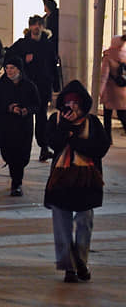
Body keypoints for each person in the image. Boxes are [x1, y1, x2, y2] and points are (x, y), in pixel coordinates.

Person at [44, 80, 109, 283]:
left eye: (75, 103)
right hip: (61, 179)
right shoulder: (56, 120)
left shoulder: (92, 123)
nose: (71, 106)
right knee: (61, 224)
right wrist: (65, 128)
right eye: (68, 102)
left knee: (84, 221)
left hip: (86, 179)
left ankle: (80, 261)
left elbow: (100, 148)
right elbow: (52, 143)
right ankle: (69, 267)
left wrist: (73, 139)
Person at [9, 15, 57, 162]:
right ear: (30, 27)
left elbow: (53, 65)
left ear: (42, 27)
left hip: (43, 86)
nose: (37, 27)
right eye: (34, 25)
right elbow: (10, 58)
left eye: (39, 25)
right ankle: (21, 148)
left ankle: (44, 147)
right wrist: (24, 60)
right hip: (27, 87)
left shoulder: (48, 44)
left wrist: (55, 85)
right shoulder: (22, 44)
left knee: (42, 116)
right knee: (25, 117)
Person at [0, 54, 40, 196]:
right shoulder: (0, 84)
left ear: (19, 69)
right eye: (7, 68)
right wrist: (9, 108)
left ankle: (17, 182)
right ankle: (15, 178)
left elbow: (37, 104)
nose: (9, 71)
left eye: (12, 68)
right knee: (8, 152)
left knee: (21, 154)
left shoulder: (29, 85)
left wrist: (27, 110)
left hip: (23, 125)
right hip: (6, 125)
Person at [99, 35, 126, 138]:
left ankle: (108, 138)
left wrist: (100, 91)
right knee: (122, 114)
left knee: (107, 115)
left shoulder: (108, 57)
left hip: (110, 91)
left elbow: (104, 76)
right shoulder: (124, 56)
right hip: (123, 90)